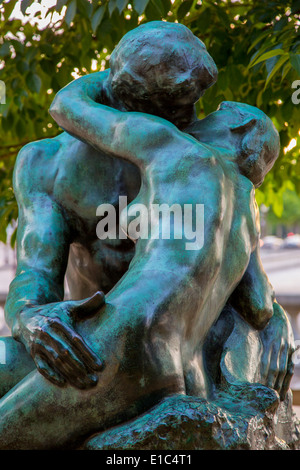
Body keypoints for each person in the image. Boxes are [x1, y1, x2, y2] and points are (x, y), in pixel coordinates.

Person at [0, 61, 287, 449]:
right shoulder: (242, 198)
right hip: (165, 358)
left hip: (115, 342)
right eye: (184, 109)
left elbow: (65, 104)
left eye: (203, 111)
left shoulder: (172, 148)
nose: (194, 118)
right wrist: (28, 316)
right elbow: (259, 304)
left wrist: (113, 72)